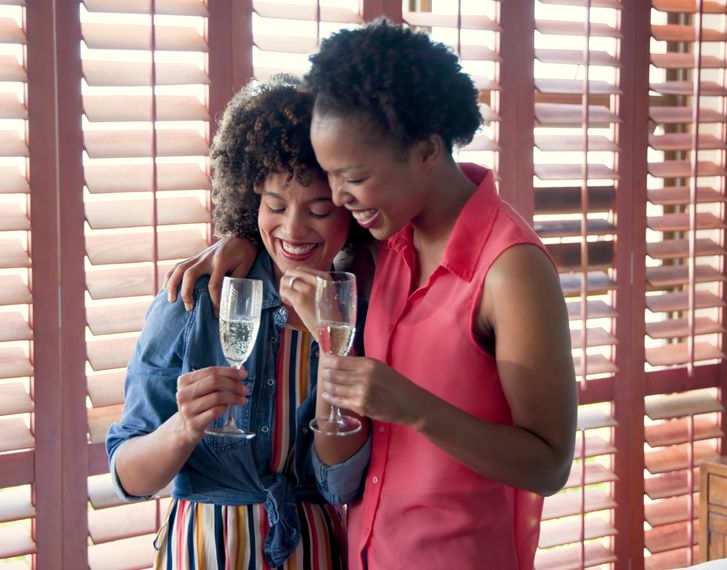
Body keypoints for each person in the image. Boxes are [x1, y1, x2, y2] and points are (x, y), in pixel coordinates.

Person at [164, 20, 578, 569]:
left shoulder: (511, 270)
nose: (337, 198)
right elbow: (295, 228)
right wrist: (240, 239)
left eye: (352, 177)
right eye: (330, 177)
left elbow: (548, 464)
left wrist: (414, 409)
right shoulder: (379, 242)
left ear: (427, 150)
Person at [106, 75, 372, 569]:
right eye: (275, 206)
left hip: (311, 552)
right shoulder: (195, 297)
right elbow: (128, 476)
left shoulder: (360, 312)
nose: (292, 229)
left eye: (318, 210)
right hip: (205, 549)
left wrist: (337, 355)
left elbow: (342, 484)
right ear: (251, 201)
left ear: (351, 213)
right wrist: (183, 428)